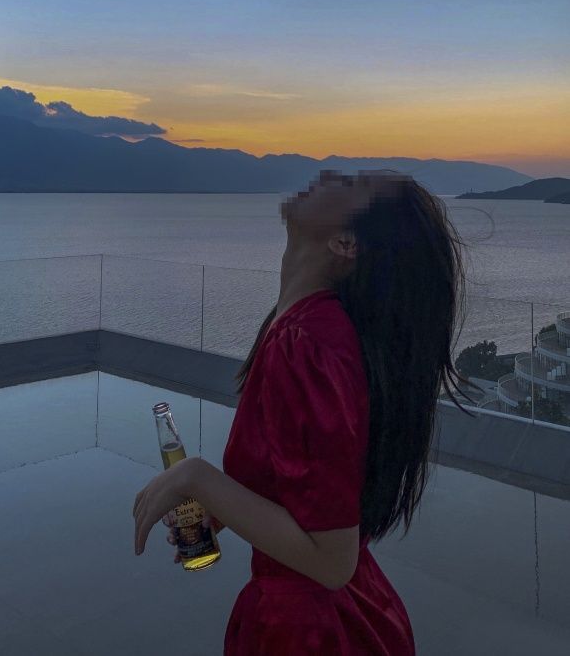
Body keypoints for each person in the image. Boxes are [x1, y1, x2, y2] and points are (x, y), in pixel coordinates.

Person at [134, 169, 474, 654]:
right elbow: (310, 485)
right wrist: (227, 508)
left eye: (351, 187)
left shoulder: (308, 342)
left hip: (311, 632)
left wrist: (198, 478)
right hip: (334, 612)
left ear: (344, 242)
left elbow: (332, 562)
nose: (330, 175)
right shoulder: (299, 327)